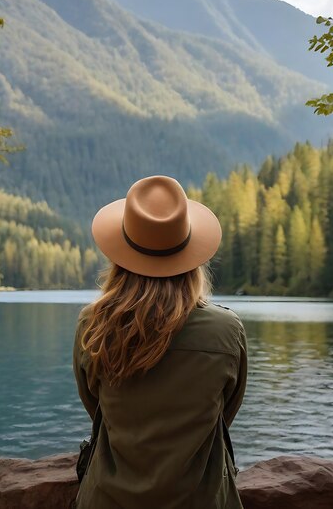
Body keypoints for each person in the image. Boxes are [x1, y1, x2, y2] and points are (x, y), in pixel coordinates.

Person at [73, 175, 248, 509]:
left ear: (120, 258)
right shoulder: (227, 329)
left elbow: (95, 404)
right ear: (191, 257)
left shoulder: (92, 325)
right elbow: (225, 412)